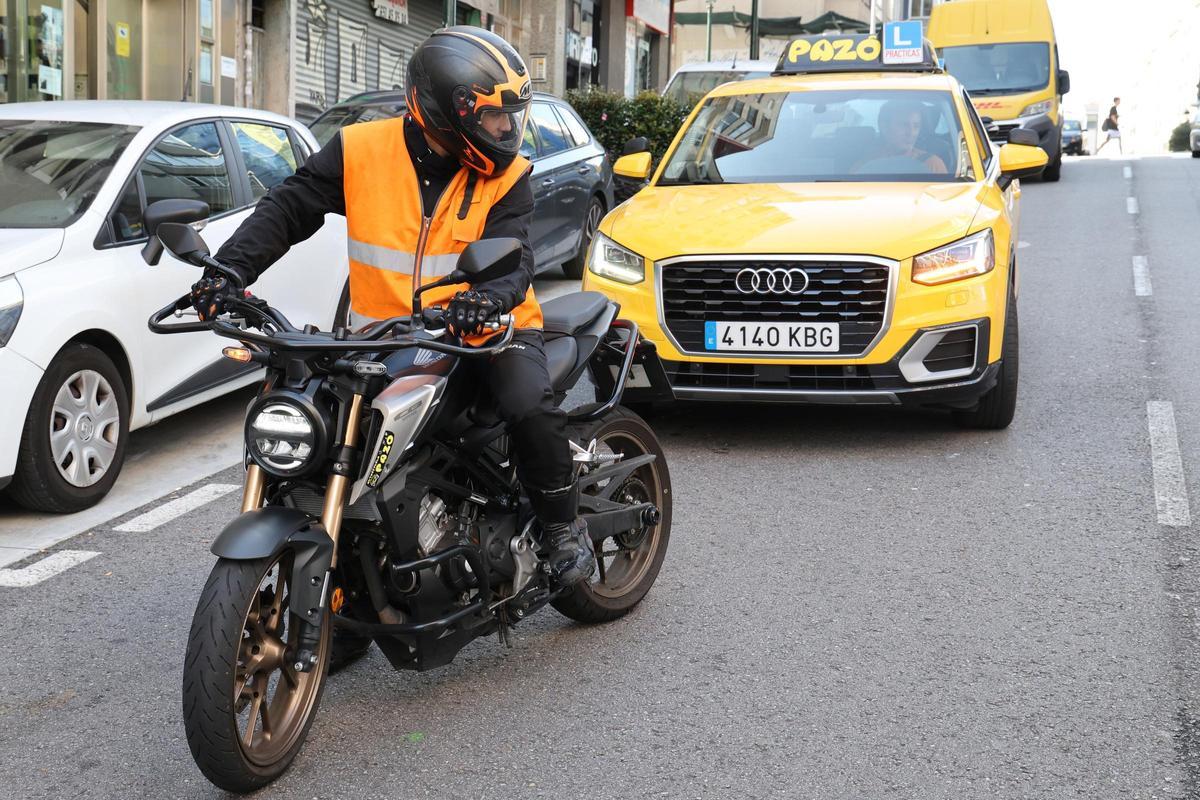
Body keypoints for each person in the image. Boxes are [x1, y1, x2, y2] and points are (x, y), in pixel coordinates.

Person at [189, 27, 596, 588]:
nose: (507, 129)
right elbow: (289, 206)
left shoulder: (508, 176)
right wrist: (229, 269)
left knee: (527, 404)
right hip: (383, 338)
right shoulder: (360, 150)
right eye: (494, 116)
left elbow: (516, 258)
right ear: (443, 110)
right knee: (328, 426)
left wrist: (484, 300)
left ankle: (560, 526)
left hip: (488, 330)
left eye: (513, 114)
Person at [853, 99, 948, 175]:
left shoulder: (932, 165)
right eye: (904, 125)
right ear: (884, 127)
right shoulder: (866, 167)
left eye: (916, 126)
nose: (911, 132)